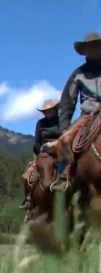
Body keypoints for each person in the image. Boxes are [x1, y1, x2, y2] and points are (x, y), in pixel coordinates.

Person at [49, 32, 101, 192]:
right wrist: (65, 127)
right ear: (86, 51)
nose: (94, 49)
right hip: (88, 116)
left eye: (97, 46)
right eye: (90, 47)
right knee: (65, 141)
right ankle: (64, 176)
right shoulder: (78, 74)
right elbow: (67, 103)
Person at [20, 100, 61, 209]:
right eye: (46, 111)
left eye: (49, 111)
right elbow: (37, 141)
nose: (47, 113)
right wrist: (39, 151)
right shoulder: (40, 123)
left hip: (60, 150)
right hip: (45, 152)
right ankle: (28, 199)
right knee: (27, 176)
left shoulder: (62, 121)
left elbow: (67, 135)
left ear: (55, 110)